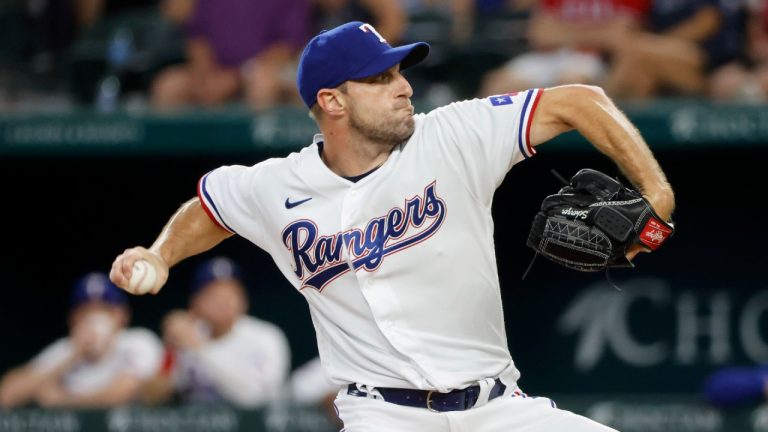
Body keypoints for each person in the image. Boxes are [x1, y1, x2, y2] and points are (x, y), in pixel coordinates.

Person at [110, 21, 675, 432]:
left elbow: (581, 100)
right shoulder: (275, 185)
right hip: (382, 415)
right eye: (380, 78)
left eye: (400, 71)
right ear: (332, 101)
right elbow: (210, 207)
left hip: (499, 410)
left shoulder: (451, 135)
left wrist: (658, 193)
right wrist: (161, 255)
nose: (404, 86)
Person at [140, 257, 291, 408]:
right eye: (213, 295)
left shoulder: (265, 337)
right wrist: (170, 352)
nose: (223, 302)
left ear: (244, 300)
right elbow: (151, 397)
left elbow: (257, 399)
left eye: (231, 294)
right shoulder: (187, 335)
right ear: (195, 303)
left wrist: (200, 349)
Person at [0, 272, 162, 408]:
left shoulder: (136, 342)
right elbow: (6, 396)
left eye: (104, 309)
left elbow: (122, 393)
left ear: (122, 315)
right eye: (86, 310)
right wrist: (73, 354)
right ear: (73, 319)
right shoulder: (66, 349)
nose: (95, 318)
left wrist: (62, 402)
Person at [150, 0, 311, 110]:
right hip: (216, 72)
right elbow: (198, 37)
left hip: (262, 71)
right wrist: (206, 76)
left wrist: (238, 77)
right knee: (169, 86)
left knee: (262, 86)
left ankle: (256, 158)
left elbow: (288, 45)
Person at [479, 0, 650, 96]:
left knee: (569, 82)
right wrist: (596, 32)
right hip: (548, 57)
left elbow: (620, 37)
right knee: (497, 84)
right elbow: (540, 34)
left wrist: (563, 32)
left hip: (594, 58)